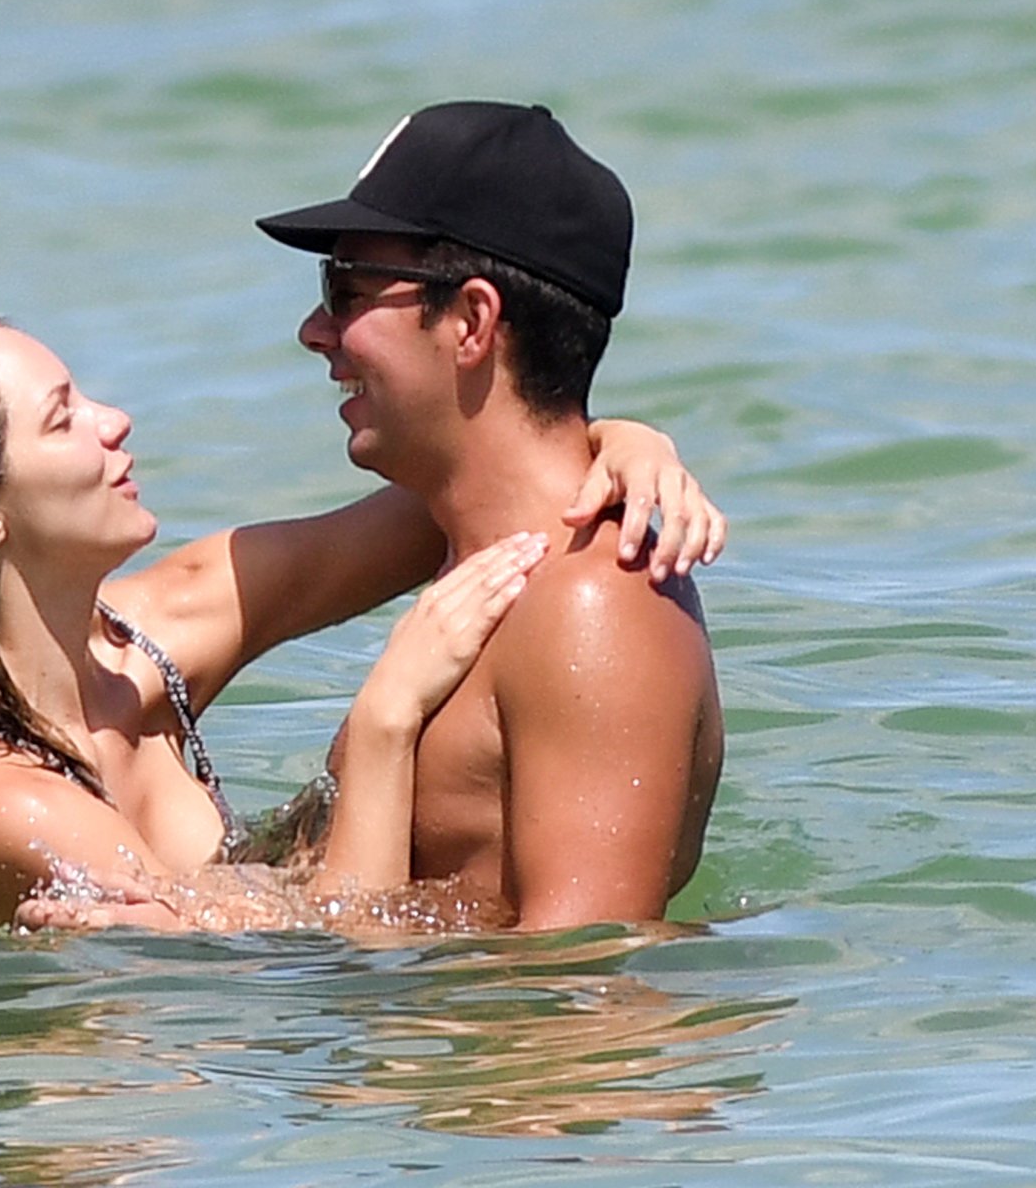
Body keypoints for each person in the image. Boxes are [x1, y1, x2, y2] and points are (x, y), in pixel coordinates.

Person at [0, 303, 722, 947]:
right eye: (62, 421)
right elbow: (336, 952)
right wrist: (387, 719)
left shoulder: (153, 636)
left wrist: (626, 447)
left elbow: (483, 482)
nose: (113, 421)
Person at [255, 100, 724, 930]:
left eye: (347, 290)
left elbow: (584, 980)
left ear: (472, 321)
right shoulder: (475, 551)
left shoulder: (592, 608)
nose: (315, 330)